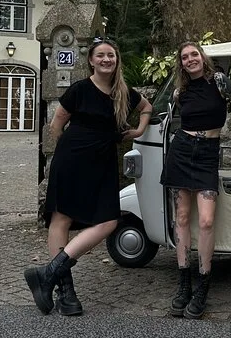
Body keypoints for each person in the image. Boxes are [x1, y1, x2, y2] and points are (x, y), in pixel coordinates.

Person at [24, 38, 151, 316]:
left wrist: (139, 130)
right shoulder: (79, 89)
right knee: (62, 218)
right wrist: (69, 154)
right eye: (101, 55)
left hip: (103, 162)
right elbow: (57, 125)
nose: (106, 59)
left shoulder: (124, 93)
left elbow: (147, 108)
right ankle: (66, 292)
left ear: (116, 60)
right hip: (73, 159)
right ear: (91, 60)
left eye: (111, 55)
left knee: (108, 221)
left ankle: (48, 272)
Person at [161, 41, 231, 319]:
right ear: (181, 63)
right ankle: (184, 284)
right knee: (181, 218)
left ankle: (203, 285)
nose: (190, 59)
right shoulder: (180, 92)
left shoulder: (219, 81)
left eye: (194, 54)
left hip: (207, 155)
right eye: (185, 57)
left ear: (202, 57)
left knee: (206, 221)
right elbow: (179, 121)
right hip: (181, 152)